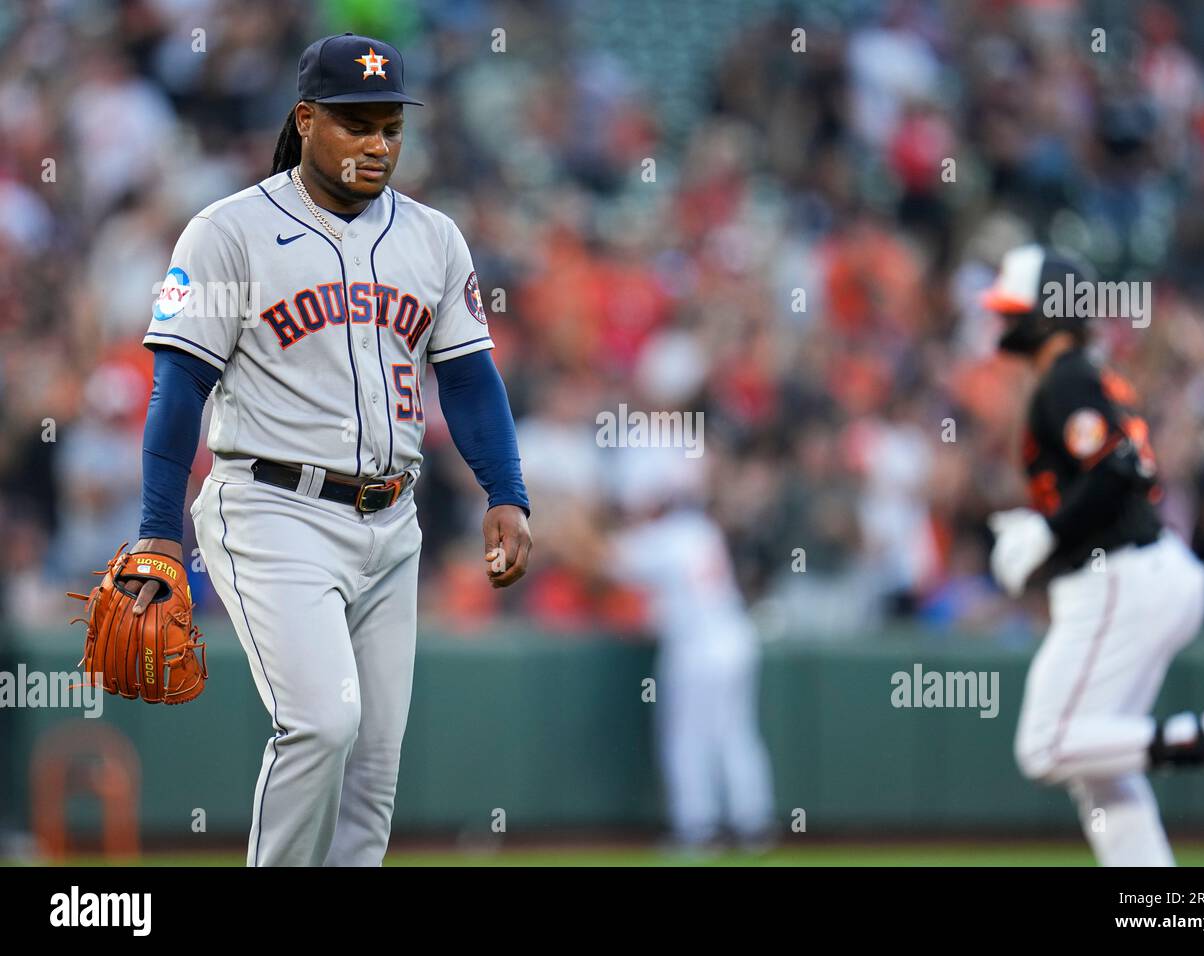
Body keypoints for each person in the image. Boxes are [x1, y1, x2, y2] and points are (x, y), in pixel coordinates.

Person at [127, 33, 531, 866]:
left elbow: (470, 380)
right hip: (272, 509)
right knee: (321, 721)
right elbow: (178, 395)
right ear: (305, 119)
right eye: (356, 125)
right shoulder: (227, 232)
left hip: (392, 520)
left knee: (373, 770)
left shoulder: (432, 237)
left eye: (390, 127)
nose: (378, 144)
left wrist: (507, 492)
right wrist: (157, 530)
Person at [983, 244, 1204, 866]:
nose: (1003, 322)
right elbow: (1110, 471)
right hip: (1140, 572)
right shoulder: (1083, 375)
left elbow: (1115, 471)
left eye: (1014, 310)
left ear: (1047, 314)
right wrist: (1046, 527)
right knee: (1101, 768)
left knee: (1046, 745)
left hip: (1120, 577)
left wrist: (1046, 534)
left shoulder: (1066, 377)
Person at [559, 448, 774, 851]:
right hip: (735, 640)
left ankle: (697, 829)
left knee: (687, 738)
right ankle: (753, 824)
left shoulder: (666, 538)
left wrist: (569, 524)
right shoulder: (699, 528)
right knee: (735, 734)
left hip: (698, 650)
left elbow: (603, 558)